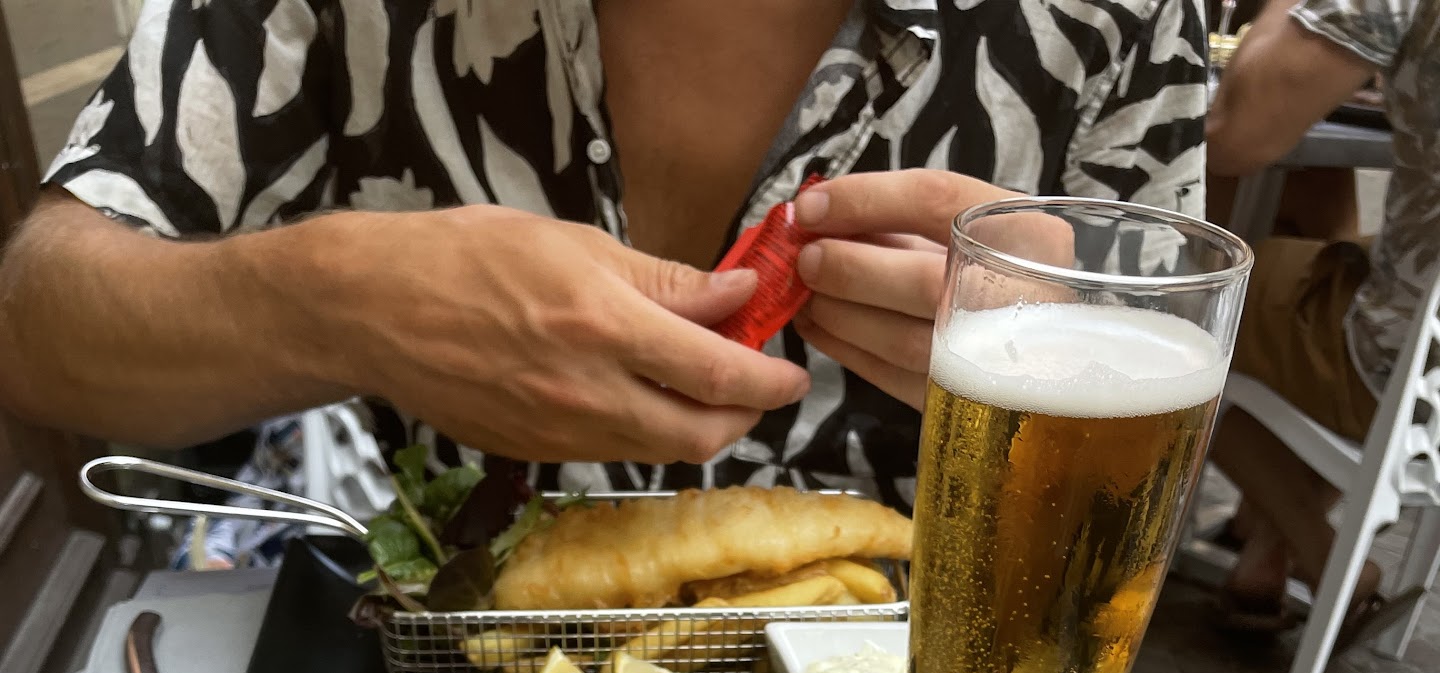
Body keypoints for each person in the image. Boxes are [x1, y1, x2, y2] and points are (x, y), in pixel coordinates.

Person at [0, 1, 1206, 504]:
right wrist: (332, 302)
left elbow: (1154, 484)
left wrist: (1067, 368)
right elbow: (37, 325)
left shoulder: (1118, 18)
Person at [1205, 0, 1440, 636]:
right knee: (1318, 214)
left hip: (1404, 363)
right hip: (1424, 335)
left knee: (1182, 299)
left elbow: (1234, 133)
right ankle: (1264, 540)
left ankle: (1326, 556)